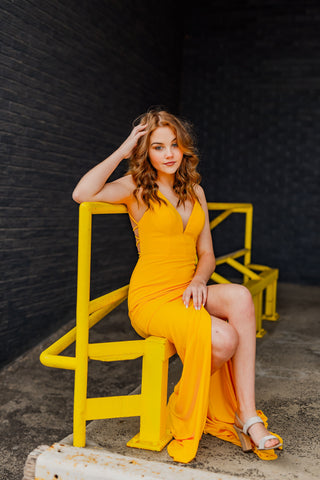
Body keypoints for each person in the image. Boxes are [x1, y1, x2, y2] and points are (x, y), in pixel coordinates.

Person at [72, 109, 283, 463]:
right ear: (146, 152)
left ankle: (248, 416)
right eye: (158, 147)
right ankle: (185, 402)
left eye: (174, 144)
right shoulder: (136, 188)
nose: (169, 154)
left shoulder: (195, 191)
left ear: (184, 147)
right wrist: (123, 150)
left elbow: (207, 254)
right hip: (152, 299)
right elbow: (82, 193)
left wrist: (200, 279)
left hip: (188, 289)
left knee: (241, 296)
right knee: (225, 339)